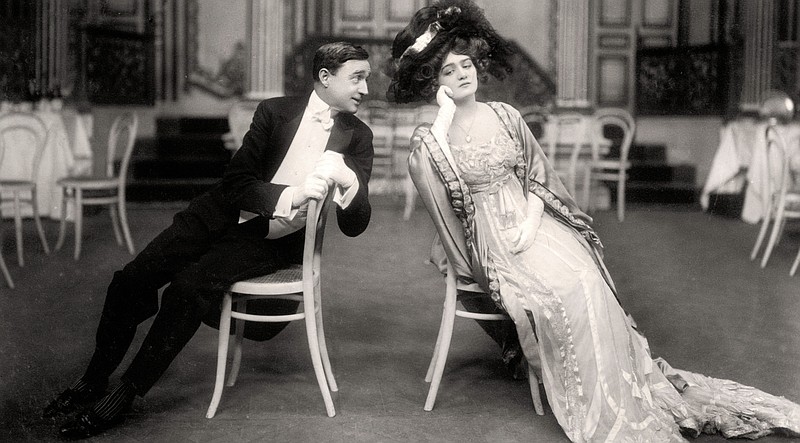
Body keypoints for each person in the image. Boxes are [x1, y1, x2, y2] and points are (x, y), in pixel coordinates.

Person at [388, 1, 800, 441]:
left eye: (466, 64)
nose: (462, 74)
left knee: (587, 277)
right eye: (449, 71)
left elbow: (538, 178)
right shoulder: (431, 142)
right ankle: (588, 393)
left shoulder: (506, 117)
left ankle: (621, 383)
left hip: (533, 222)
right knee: (560, 292)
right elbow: (441, 192)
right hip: (490, 237)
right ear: (435, 82)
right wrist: (445, 121)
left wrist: (531, 221)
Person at [45, 41, 374, 439]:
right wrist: (290, 196)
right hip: (216, 213)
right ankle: (94, 379)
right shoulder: (275, 111)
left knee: (186, 289)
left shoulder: (357, 137)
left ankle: (125, 394)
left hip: (268, 239)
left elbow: (355, 224)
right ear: (325, 77)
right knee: (132, 279)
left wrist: (348, 179)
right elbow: (236, 182)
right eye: (357, 77)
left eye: (366, 79)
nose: (365, 89)